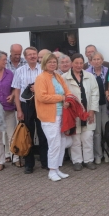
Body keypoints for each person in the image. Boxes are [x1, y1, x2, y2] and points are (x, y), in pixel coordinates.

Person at [34, 53, 71, 181]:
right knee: (54, 144)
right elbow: (42, 97)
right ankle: (51, 171)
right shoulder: (41, 78)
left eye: (54, 62)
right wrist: (61, 98)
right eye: (49, 62)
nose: (52, 64)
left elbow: (67, 91)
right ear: (44, 63)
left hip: (61, 114)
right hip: (49, 116)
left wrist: (68, 99)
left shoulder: (57, 76)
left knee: (62, 142)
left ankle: (57, 168)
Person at [12, 47, 48, 174]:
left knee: (43, 134)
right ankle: (29, 164)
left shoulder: (44, 69)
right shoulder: (19, 71)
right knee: (28, 135)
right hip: (26, 105)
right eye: (30, 54)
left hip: (41, 104)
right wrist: (19, 110)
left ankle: (45, 162)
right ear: (25, 57)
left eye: (34, 54)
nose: (33, 56)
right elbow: (16, 92)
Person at [62, 53, 99, 171]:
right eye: (76, 63)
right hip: (73, 113)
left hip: (88, 112)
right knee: (75, 139)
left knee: (88, 137)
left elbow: (95, 93)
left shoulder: (90, 76)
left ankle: (89, 160)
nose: (78, 65)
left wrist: (92, 111)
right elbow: (61, 94)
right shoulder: (64, 77)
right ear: (72, 63)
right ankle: (77, 161)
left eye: (81, 63)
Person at [85, 51, 109, 164]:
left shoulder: (107, 70)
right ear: (90, 61)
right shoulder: (87, 73)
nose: (96, 61)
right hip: (93, 105)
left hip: (106, 105)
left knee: (106, 129)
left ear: (102, 60)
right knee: (97, 132)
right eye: (94, 59)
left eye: (99, 59)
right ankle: (98, 155)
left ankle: (107, 153)